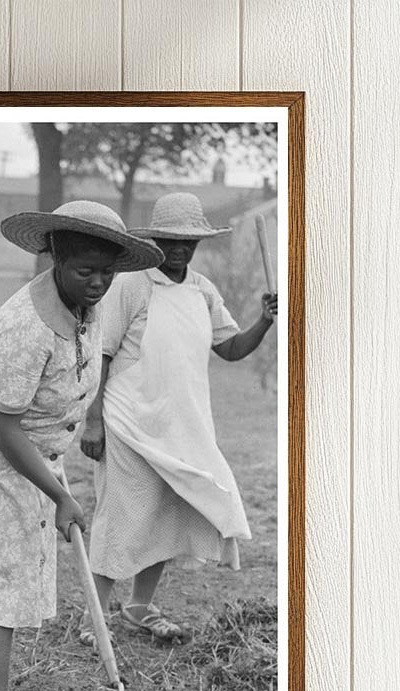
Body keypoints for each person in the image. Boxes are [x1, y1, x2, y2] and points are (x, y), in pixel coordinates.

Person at [0, 201, 162, 691]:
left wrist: (55, 478)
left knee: (17, 570)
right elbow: (1, 423)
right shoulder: (25, 326)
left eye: (107, 272)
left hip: (29, 446)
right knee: (2, 576)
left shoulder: (87, 302)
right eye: (86, 271)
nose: (99, 283)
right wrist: (61, 495)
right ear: (55, 258)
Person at [79, 193, 278, 645]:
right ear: (155, 239)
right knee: (122, 517)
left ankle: (138, 608)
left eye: (190, 241)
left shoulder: (203, 289)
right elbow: (103, 355)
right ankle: (95, 618)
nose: (181, 249)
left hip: (182, 425)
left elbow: (230, 349)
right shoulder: (132, 285)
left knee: (165, 517)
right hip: (128, 421)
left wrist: (264, 321)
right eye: (172, 240)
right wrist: (93, 421)